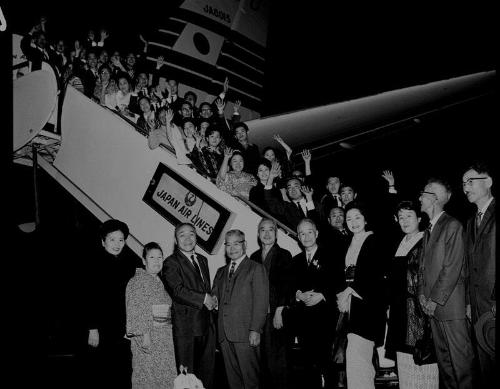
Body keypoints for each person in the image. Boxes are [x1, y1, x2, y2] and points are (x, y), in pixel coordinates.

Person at [417, 178, 476, 388]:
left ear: (433, 198)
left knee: (462, 366)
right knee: (445, 367)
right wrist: (422, 295)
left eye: (422, 194)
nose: (419, 198)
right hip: (433, 308)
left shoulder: (452, 225)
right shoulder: (428, 230)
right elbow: (423, 269)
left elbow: (451, 268)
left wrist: (433, 299)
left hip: (451, 308)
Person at [384, 201, 439, 389]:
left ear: (419, 218)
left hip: (418, 312)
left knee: (422, 359)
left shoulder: (427, 239)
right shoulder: (398, 242)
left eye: (409, 216)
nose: (404, 220)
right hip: (399, 312)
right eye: (401, 217)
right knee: (404, 365)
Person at [336, 202, 388, 389]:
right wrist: (342, 292)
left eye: (357, 217)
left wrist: (350, 290)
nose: (353, 222)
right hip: (350, 308)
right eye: (348, 219)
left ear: (366, 219)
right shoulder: (346, 242)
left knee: (359, 361)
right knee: (355, 361)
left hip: (366, 307)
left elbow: (374, 275)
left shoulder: (374, 240)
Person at [84, 219, 139, 388]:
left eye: (121, 240)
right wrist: (92, 329)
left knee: (122, 372)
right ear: (103, 241)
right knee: (101, 372)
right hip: (100, 329)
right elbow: (87, 298)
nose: (117, 244)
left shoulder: (128, 264)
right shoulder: (92, 263)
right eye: (112, 239)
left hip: (121, 328)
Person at [212, 229, 269, 389]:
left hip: (246, 334)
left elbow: (261, 302)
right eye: (228, 244)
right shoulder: (221, 272)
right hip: (224, 335)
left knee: (250, 381)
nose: (232, 248)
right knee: (233, 382)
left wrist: (255, 329)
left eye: (236, 243)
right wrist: (213, 301)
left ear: (245, 245)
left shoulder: (256, 268)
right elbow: (216, 297)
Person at [290, 218, 344, 389]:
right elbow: (290, 286)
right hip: (304, 321)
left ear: (317, 233)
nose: (306, 237)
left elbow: (339, 281)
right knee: (307, 366)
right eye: (301, 234)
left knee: (328, 365)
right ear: (298, 237)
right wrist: (299, 294)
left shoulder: (331, 255)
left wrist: (322, 295)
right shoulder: (296, 260)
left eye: (309, 232)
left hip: (326, 319)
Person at [162, 223, 217, 389]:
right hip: (186, 330)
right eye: (182, 235)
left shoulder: (202, 259)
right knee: (186, 379)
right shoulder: (170, 263)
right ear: (175, 239)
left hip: (207, 327)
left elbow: (204, 288)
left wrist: (212, 299)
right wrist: (204, 298)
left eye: (191, 234)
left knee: (206, 376)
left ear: (196, 237)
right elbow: (177, 291)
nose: (188, 239)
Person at [462, 162, 496, 387]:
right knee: (485, 370)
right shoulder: (470, 222)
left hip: (493, 303)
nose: (466, 188)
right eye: (464, 184)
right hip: (477, 308)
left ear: (489, 182)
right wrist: (467, 302)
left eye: (471, 181)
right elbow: (468, 266)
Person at [126, 242, 177, 388]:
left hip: (163, 338)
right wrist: (145, 336)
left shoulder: (158, 281)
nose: (157, 261)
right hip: (149, 338)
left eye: (160, 257)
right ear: (144, 261)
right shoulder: (138, 281)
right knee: (148, 377)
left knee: (163, 378)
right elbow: (136, 309)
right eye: (152, 257)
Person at [249, 218, 293, 389]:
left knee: (279, 363)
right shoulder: (253, 257)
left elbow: (287, 285)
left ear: (276, 234)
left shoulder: (284, 255)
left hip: (276, 315)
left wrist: (280, 310)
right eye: (263, 230)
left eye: (271, 230)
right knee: (262, 362)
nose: (267, 234)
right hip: (259, 317)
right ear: (258, 234)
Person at [264, 165, 320, 231]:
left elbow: (316, 222)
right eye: (289, 187)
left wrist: (309, 199)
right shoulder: (285, 207)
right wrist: (271, 177)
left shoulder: (315, 204)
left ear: (302, 188)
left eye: (296, 186)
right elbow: (269, 200)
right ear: (287, 192)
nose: (293, 189)